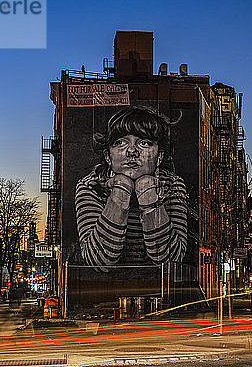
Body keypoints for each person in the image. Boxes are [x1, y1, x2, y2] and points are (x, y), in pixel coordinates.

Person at [75, 105, 188, 271]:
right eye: (121, 142)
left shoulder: (173, 185)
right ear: (107, 156)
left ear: (159, 157)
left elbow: (170, 260)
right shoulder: (90, 186)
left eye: (144, 142)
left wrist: (148, 197)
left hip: (158, 289)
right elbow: (98, 261)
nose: (132, 151)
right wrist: (120, 192)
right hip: (104, 288)